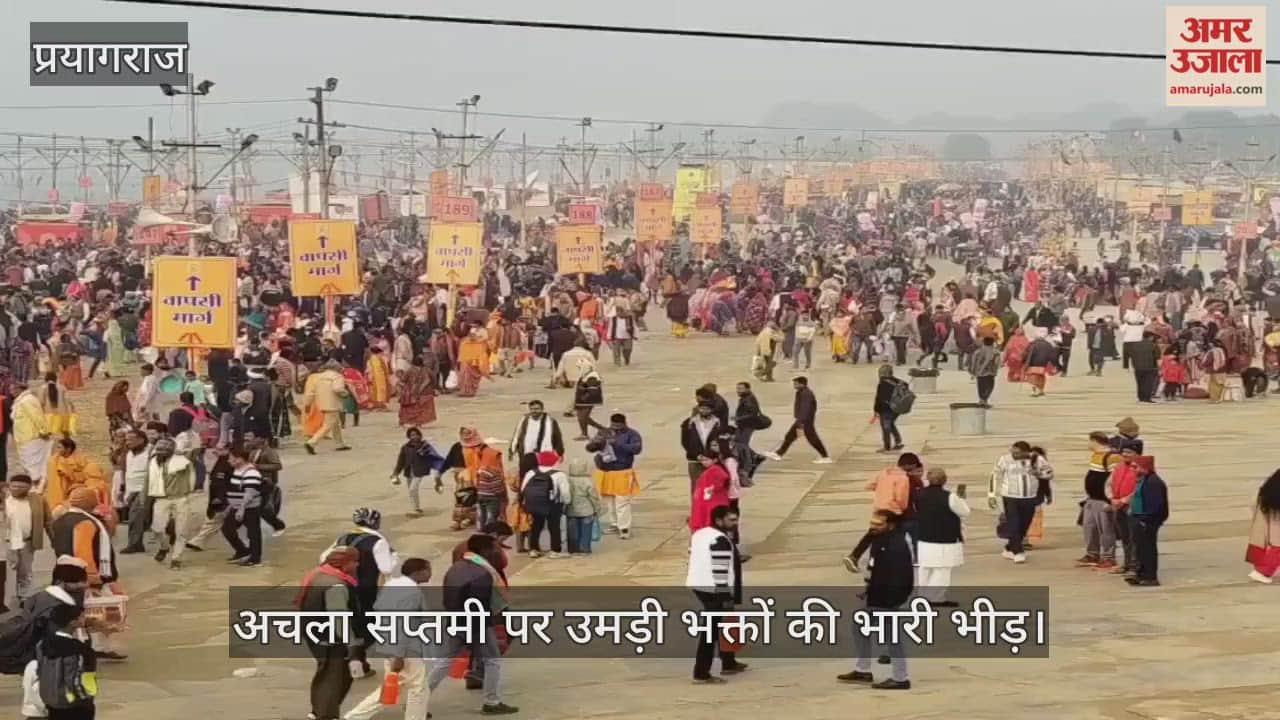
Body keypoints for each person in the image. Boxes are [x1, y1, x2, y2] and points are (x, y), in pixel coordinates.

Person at [424, 534, 518, 715]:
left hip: (455, 621)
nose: (496, 551)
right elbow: (480, 606)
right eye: (494, 548)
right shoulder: (483, 573)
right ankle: (492, 702)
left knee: (444, 662)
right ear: (484, 550)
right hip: (477, 625)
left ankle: (418, 699)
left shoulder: (456, 567)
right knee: (493, 661)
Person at [341, 557, 433, 720]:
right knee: (415, 688)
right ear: (418, 572)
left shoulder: (392, 585)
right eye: (428, 569)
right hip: (404, 647)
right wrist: (399, 655)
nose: (430, 573)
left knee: (403, 685)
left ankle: (355, 716)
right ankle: (355, 716)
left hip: (387, 642)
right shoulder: (411, 592)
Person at [836, 510, 913, 690]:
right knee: (859, 625)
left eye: (878, 524)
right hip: (875, 594)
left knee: (892, 637)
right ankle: (863, 669)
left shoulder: (897, 544)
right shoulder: (879, 539)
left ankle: (901, 678)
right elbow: (874, 567)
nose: (873, 527)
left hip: (889, 597)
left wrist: (895, 599)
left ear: (891, 524)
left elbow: (903, 575)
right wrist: (867, 588)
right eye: (872, 523)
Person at [295, 546, 366, 720]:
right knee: (333, 676)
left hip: (315, 633)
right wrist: (352, 645)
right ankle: (325, 714)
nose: (357, 565)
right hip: (331, 638)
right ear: (346, 563)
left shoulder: (318, 574)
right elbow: (339, 618)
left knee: (330, 672)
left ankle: (319, 710)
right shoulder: (336, 585)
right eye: (355, 562)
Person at [686, 505, 747, 683]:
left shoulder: (701, 534)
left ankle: (728, 662)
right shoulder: (720, 539)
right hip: (714, 589)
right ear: (719, 520)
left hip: (698, 584)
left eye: (736, 519)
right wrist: (725, 597)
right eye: (731, 520)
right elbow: (719, 571)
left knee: (723, 625)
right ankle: (701, 672)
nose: (735, 523)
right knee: (711, 630)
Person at [987, 441, 1051, 563]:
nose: (1013, 455)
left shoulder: (1037, 459)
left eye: (1017, 453)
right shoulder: (1004, 460)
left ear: (1026, 452)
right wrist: (991, 495)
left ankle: (1009, 548)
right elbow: (994, 476)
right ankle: (1018, 551)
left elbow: (1049, 473)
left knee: (1024, 524)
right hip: (1010, 497)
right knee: (1014, 523)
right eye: (1012, 452)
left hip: (1030, 497)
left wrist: (1038, 473)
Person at [914, 468, 969, 606]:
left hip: (924, 537)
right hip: (944, 538)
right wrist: (961, 498)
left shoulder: (918, 494)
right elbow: (965, 511)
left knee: (925, 567)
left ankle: (922, 596)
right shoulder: (950, 497)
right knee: (942, 569)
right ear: (944, 480)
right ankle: (936, 598)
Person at [36, 601, 98, 720]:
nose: (84, 618)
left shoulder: (42, 644)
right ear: (72, 622)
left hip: (50, 699)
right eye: (81, 616)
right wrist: (87, 701)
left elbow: (40, 671)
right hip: (73, 704)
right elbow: (84, 679)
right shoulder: (80, 650)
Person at [586, 413, 643, 539]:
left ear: (624, 423)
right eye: (613, 425)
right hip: (605, 471)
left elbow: (637, 449)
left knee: (622, 502)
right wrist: (595, 443)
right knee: (609, 501)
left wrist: (617, 444)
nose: (615, 428)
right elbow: (590, 448)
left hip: (622, 471)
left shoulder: (632, 434)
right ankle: (614, 523)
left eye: (618, 425)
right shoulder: (604, 432)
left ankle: (624, 528)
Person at [142, 436, 195, 570]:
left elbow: (192, 455)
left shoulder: (182, 462)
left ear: (172, 450)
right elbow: (147, 480)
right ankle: (164, 547)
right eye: (159, 448)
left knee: (181, 530)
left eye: (165, 448)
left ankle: (176, 558)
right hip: (162, 498)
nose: (162, 451)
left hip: (180, 498)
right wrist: (143, 498)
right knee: (157, 528)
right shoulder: (153, 462)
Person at [2, 475, 51, 610]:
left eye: (21, 487)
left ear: (29, 487)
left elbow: (48, 521)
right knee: (6, 572)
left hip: (27, 542)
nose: (16, 489)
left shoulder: (38, 500)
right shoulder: (4, 499)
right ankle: (4, 601)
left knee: (25, 571)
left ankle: (23, 597)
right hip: (6, 542)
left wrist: (55, 540)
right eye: (13, 486)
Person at [762, 376, 832, 464]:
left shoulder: (806, 394)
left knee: (812, 439)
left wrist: (800, 422)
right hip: (803, 420)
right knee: (790, 436)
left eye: (795, 384)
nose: (794, 385)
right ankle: (778, 453)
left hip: (805, 421)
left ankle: (825, 457)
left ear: (801, 384)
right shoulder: (801, 392)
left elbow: (805, 408)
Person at [1078, 432, 1121, 570]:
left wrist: (1110, 500)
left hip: (1104, 501)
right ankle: (1092, 554)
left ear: (1095, 441)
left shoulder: (1112, 457)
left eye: (1089, 441)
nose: (1088, 444)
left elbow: (1115, 480)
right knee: (1089, 527)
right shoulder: (1095, 456)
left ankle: (1109, 557)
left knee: (1106, 529)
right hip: (1092, 499)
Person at [1126, 455, 1168, 587]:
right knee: (1139, 548)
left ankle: (1150, 576)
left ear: (1144, 467)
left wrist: (1144, 519)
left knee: (1147, 548)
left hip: (1148, 521)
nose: (1133, 469)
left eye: (1135, 466)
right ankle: (1141, 573)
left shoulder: (1153, 482)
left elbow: (1156, 505)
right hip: (1138, 517)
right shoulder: (1143, 479)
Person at [520, 450, 570, 558]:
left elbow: (523, 488)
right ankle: (555, 550)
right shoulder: (559, 474)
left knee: (536, 526)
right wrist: (566, 503)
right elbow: (565, 493)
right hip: (553, 505)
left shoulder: (531, 472)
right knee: (554, 527)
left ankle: (533, 549)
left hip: (534, 503)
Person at [222, 445, 265, 567]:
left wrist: (241, 509)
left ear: (239, 459)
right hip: (236, 507)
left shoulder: (251, 472)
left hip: (249, 508)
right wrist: (230, 506)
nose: (229, 460)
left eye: (231, 458)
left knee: (253, 532)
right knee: (227, 529)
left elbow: (249, 493)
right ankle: (242, 551)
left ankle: (255, 558)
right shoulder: (236, 470)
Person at [390, 427, 446, 516]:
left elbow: (433, 457)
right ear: (409, 436)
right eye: (412, 435)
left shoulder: (425, 446)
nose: (414, 437)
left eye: (416, 434)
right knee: (411, 491)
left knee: (413, 489)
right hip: (409, 471)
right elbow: (401, 461)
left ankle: (416, 510)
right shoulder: (405, 447)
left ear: (420, 435)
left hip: (419, 471)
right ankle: (416, 509)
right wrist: (395, 473)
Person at [303, 360, 352, 455]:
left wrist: (307, 404)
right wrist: (345, 394)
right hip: (333, 404)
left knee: (335, 424)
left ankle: (339, 443)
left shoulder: (319, 377)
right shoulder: (337, 376)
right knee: (328, 425)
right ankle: (312, 442)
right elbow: (337, 389)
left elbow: (311, 393)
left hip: (321, 403)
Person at [508, 400, 565, 478]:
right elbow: (517, 434)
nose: (534, 411)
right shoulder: (524, 420)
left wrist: (560, 452)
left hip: (543, 454)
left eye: (537, 409)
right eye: (532, 409)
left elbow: (557, 437)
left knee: (543, 476)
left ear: (542, 409)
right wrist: (512, 449)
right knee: (525, 476)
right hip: (526, 454)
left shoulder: (550, 422)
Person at [14, 380, 54, 490]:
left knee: (34, 464)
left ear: (20, 389)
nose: (11, 391)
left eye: (13, 389)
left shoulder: (27, 401)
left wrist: (44, 431)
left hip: (31, 437)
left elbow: (37, 417)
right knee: (29, 463)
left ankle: (37, 486)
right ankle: (35, 485)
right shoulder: (22, 400)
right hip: (24, 437)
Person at [245, 431, 286, 536]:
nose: (249, 439)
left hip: (266, 484)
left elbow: (277, 466)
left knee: (264, 509)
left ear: (262, 439)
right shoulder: (253, 451)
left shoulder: (269, 452)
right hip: (254, 483)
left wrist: (258, 466)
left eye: (252, 437)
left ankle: (278, 525)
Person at [1246, 469, 1280, 584]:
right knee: (1278, 546)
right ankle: (1262, 571)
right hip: (1274, 509)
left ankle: (1262, 569)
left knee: (1273, 543)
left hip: (1267, 505)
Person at [564, 457, 602, 555]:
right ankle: (585, 549)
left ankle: (573, 549)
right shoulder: (587, 481)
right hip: (587, 510)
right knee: (586, 531)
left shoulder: (567, 480)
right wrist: (597, 508)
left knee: (572, 532)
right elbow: (593, 497)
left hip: (571, 510)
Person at [690, 448, 733, 532]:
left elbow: (722, 480)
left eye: (706, 460)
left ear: (715, 460)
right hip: (709, 501)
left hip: (712, 502)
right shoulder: (714, 469)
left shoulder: (715, 470)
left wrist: (713, 488)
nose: (704, 462)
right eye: (703, 460)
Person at [872, 364, 907, 453]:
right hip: (897, 408)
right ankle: (898, 442)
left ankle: (887, 447)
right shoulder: (899, 382)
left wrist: (876, 410)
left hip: (886, 409)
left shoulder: (883, 383)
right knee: (891, 424)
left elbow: (879, 398)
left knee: (886, 427)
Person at [397, 355, 437, 428]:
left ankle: (403, 421)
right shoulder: (427, 370)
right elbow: (434, 380)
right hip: (426, 393)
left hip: (412, 393)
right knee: (422, 409)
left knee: (409, 409)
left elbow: (403, 380)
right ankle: (419, 423)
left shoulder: (410, 370)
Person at [571, 369, 605, 441]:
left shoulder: (592, 375)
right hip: (581, 400)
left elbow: (593, 389)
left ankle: (586, 434)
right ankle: (600, 429)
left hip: (587, 401)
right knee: (582, 417)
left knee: (583, 417)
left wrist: (584, 397)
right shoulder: (584, 374)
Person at [1022, 332, 1057, 397]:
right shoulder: (1048, 344)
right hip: (1042, 363)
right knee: (1041, 377)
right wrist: (1054, 363)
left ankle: (1034, 390)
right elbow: (1053, 355)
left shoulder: (1032, 344)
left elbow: (1025, 353)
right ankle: (1041, 390)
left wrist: (1023, 361)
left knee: (1033, 376)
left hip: (1033, 363)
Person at [1130, 331, 1160, 403]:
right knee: (1148, 383)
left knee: (1140, 382)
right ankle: (1147, 398)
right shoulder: (1154, 345)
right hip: (1150, 366)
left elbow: (1132, 355)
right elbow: (1157, 356)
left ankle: (1141, 397)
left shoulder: (1135, 345)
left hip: (1138, 367)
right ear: (1151, 337)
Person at [971, 336, 1000, 407]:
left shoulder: (978, 351)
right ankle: (985, 399)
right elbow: (997, 362)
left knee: (981, 387)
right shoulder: (995, 352)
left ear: (983, 342)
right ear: (993, 343)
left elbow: (973, 362)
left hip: (980, 372)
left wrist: (973, 372)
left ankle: (982, 399)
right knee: (990, 386)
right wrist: (995, 370)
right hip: (990, 372)